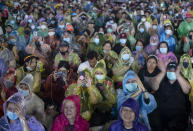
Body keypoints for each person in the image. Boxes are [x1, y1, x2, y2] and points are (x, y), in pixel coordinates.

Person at [149, 61, 191, 131]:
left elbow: (187, 90)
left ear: (177, 71)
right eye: (169, 69)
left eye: (174, 70)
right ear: (166, 71)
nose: (172, 71)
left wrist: (178, 75)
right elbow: (153, 86)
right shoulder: (161, 79)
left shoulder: (182, 80)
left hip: (178, 119)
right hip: (161, 118)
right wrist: (162, 72)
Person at [90, 59, 116, 128]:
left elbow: (113, 101)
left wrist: (105, 90)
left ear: (105, 73)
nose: (99, 75)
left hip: (106, 110)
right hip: (93, 109)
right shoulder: (91, 81)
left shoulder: (109, 81)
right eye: (97, 73)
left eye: (101, 73)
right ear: (94, 73)